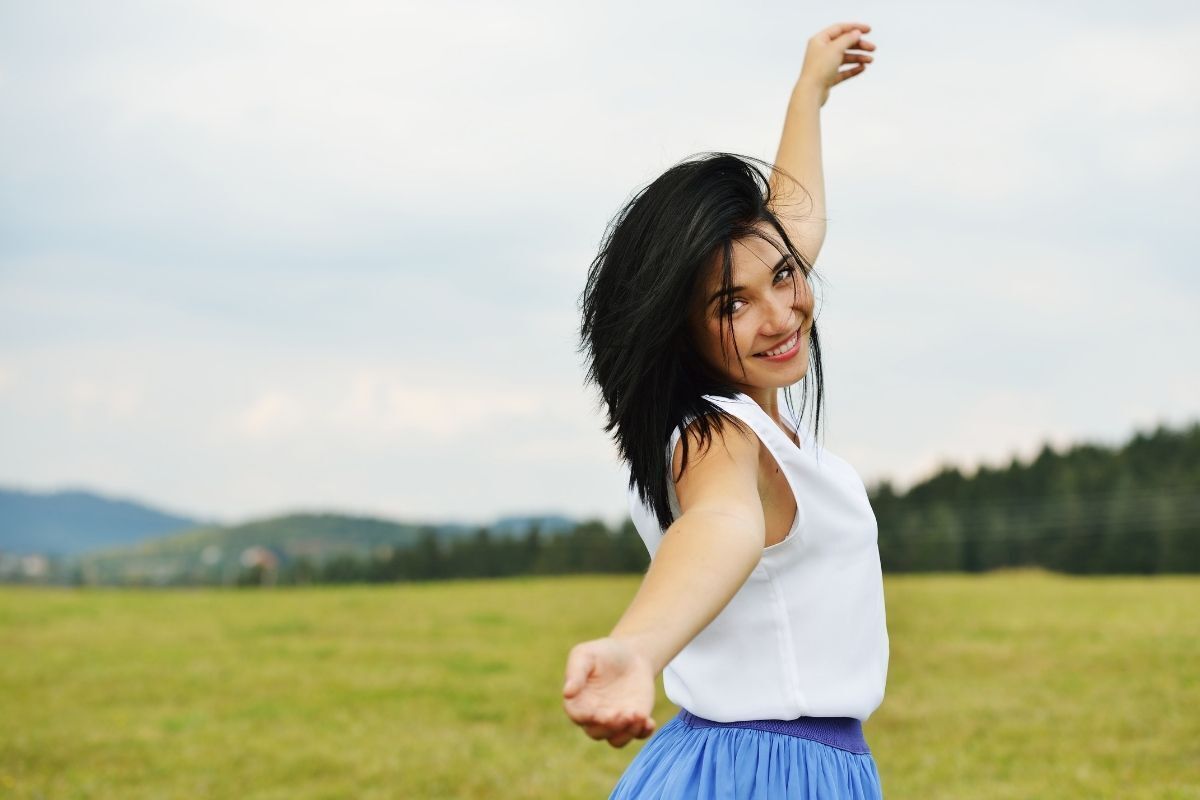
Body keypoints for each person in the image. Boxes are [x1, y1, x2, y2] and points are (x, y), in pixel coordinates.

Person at [563, 21, 886, 799]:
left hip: (747, 759)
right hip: (765, 775)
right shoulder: (715, 438)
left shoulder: (754, 412)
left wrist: (808, 92)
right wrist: (639, 649)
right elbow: (721, 527)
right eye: (730, 304)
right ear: (680, 326)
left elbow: (793, 223)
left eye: (784, 277)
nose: (778, 314)